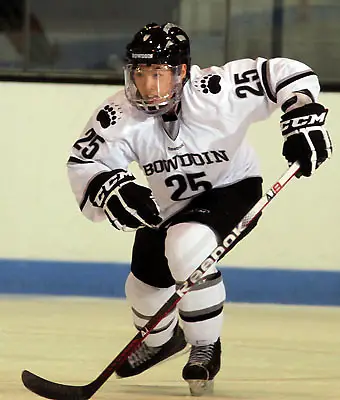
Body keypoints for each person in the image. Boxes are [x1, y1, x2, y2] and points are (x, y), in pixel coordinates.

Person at [67, 22, 332, 396]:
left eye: (157, 74)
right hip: (168, 204)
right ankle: (162, 342)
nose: (147, 85)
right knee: (143, 288)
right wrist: (111, 189)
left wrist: (301, 111)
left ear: (183, 72)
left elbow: (283, 73)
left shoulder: (218, 90)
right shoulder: (118, 113)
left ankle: (206, 345)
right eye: (140, 74)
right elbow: (85, 163)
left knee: (185, 245)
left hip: (233, 189)